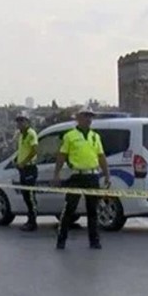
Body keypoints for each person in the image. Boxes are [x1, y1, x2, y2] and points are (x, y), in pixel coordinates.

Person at [51, 106, 111, 250]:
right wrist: (56, 174)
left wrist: (107, 175)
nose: (88, 119)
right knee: (69, 210)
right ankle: (61, 240)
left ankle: (94, 241)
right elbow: (61, 156)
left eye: (90, 116)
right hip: (77, 176)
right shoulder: (70, 136)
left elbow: (101, 156)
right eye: (85, 116)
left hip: (92, 176)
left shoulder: (95, 136)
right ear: (78, 118)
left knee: (93, 211)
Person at [14, 112, 39, 231]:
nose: (19, 123)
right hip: (22, 169)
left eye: (22, 121)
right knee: (25, 196)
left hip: (29, 168)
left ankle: (33, 222)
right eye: (18, 121)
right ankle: (30, 219)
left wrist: (23, 162)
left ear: (27, 122)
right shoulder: (20, 135)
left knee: (30, 196)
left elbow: (34, 151)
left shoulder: (31, 133)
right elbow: (22, 150)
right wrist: (17, 160)